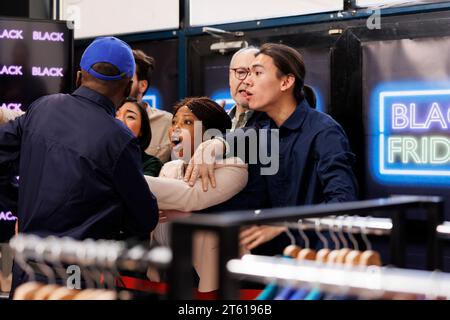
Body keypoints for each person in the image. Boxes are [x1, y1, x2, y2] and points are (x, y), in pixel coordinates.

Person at [0, 37, 159, 295]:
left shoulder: (41, 108)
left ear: (78, 77)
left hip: (27, 267)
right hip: (80, 274)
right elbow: (145, 217)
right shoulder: (119, 139)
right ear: (128, 86)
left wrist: (19, 203)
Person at [184, 43, 358, 252]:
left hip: (315, 261)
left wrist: (285, 223)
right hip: (268, 262)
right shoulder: (262, 131)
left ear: (286, 82)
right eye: (243, 73)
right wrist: (213, 144)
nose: (247, 81)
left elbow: (343, 202)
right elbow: (235, 147)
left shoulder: (324, 131)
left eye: (257, 73)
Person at [144, 97, 248, 292]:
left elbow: (190, 197)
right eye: (174, 121)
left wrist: (123, 178)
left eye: (187, 122)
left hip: (215, 278)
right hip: (169, 272)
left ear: (210, 134)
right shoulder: (168, 167)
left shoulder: (234, 166)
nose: (175, 128)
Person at [130, 49, 173, 163]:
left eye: (128, 78)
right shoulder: (104, 119)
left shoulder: (168, 122)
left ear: (142, 85)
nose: (120, 82)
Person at [116, 97, 163, 177]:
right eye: (116, 115)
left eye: (130, 117)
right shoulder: (98, 156)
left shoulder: (151, 163)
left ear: (142, 130)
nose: (120, 120)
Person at [227, 46, 267, 131]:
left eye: (257, 73)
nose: (247, 81)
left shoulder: (275, 124)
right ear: (230, 77)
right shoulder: (216, 122)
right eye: (241, 72)